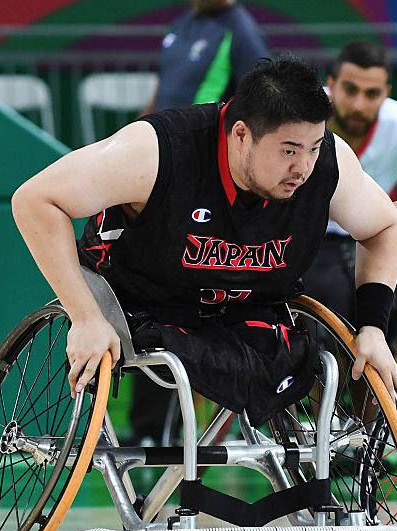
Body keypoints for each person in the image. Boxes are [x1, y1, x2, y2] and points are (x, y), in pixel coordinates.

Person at [12, 56, 397, 433]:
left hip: (244, 307)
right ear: (241, 135)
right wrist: (85, 317)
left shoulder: (330, 165)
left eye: (314, 148)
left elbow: (385, 226)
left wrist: (373, 327)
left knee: (315, 363)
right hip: (145, 300)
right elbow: (35, 200)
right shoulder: (156, 151)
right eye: (288, 150)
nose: (303, 167)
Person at [133, 0, 270, 442]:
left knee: (182, 296)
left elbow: (259, 114)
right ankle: (148, 429)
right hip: (160, 171)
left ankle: (199, 426)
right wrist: (132, 142)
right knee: (145, 290)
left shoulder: (241, 32)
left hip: (198, 181)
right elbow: (162, 97)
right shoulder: (181, 26)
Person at [301, 40, 397, 340]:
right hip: (305, 238)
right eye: (350, 90)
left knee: (396, 319)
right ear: (331, 84)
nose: (359, 104)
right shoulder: (298, 115)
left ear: (386, 92)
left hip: (374, 238)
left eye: (372, 94)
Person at [141, 0, 270, 116]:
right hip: (162, 130)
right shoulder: (180, 24)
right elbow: (162, 88)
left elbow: (262, 100)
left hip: (202, 132)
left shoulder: (244, 32)